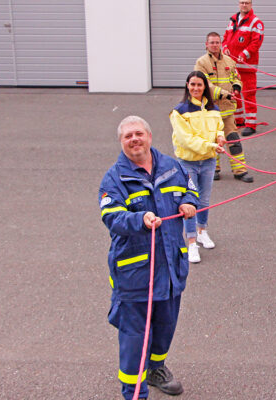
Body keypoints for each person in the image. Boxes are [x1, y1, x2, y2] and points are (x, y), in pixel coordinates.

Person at [99, 116, 198, 400]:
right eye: (128, 136)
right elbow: (112, 217)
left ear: (150, 136)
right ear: (121, 142)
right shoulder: (114, 179)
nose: (134, 139)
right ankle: (134, 392)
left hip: (170, 268)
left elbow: (191, 188)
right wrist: (140, 219)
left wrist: (189, 201)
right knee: (135, 339)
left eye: (138, 133)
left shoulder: (172, 166)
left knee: (166, 325)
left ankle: (156, 368)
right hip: (135, 274)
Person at [170, 70, 226, 264]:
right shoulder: (180, 112)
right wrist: (212, 145)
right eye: (192, 84)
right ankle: (191, 241)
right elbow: (187, 140)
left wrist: (220, 136)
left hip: (209, 161)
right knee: (190, 202)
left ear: (205, 88)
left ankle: (202, 231)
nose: (195, 88)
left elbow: (219, 126)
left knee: (204, 199)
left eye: (199, 85)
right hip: (188, 162)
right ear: (187, 86)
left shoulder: (214, 109)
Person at [195, 31, 254, 183]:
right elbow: (204, 85)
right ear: (206, 45)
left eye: (217, 42)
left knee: (234, 141)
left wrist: (236, 88)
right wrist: (223, 93)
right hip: (210, 110)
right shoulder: (201, 63)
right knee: (213, 141)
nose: (215, 45)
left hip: (228, 110)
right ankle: (214, 169)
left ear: (221, 44)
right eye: (212, 42)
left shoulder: (229, 61)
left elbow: (236, 77)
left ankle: (240, 171)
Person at [222, 0, 264, 137]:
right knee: (235, 93)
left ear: (251, 4)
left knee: (249, 94)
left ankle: (251, 124)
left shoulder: (256, 22)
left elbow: (256, 42)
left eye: (247, 2)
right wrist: (225, 48)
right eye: (242, 2)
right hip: (232, 67)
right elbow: (226, 38)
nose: (244, 5)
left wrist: (244, 54)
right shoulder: (233, 20)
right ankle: (238, 120)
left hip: (246, 67)